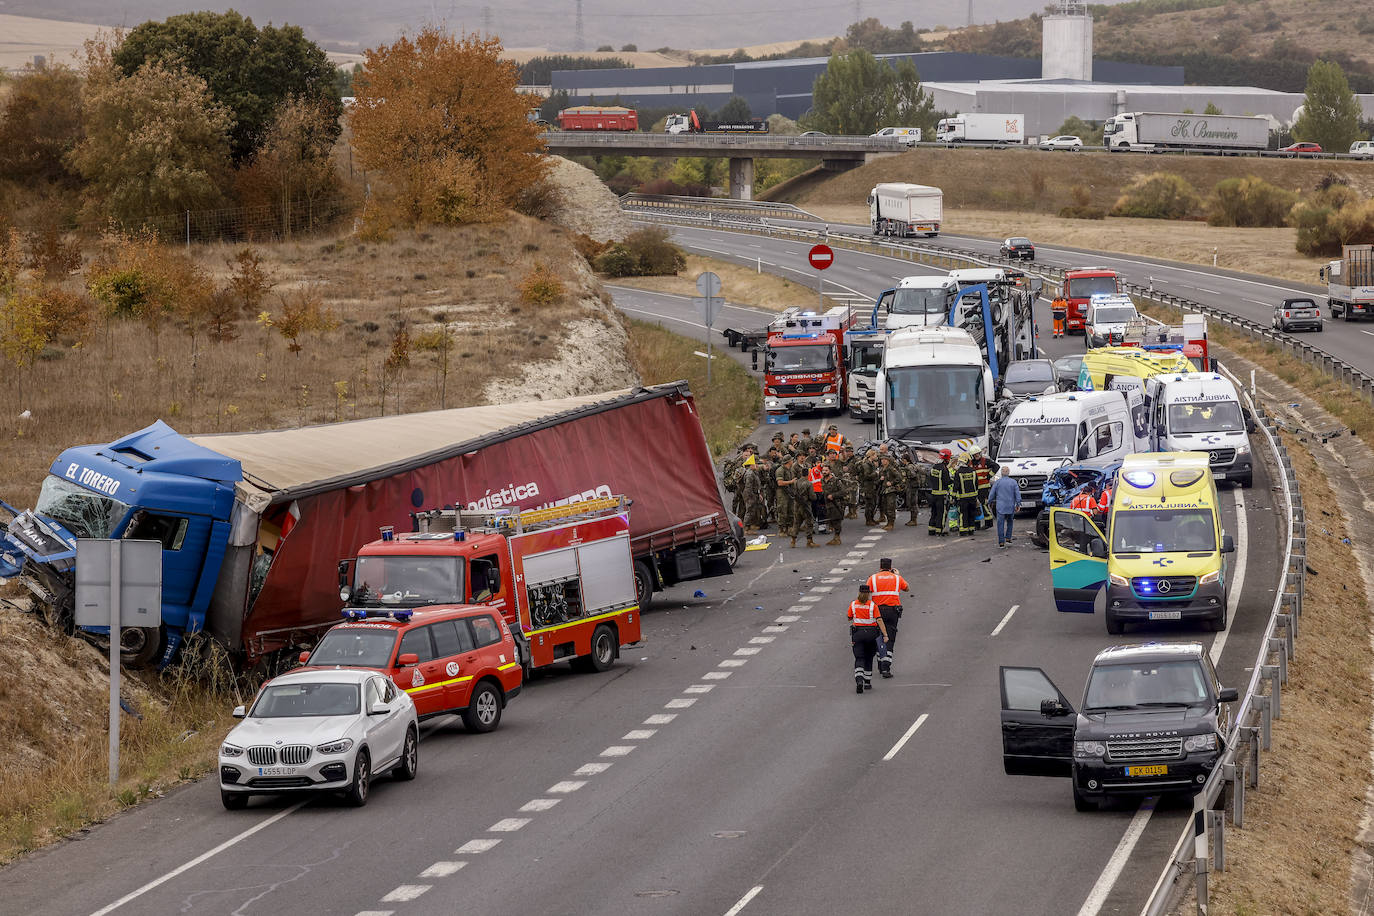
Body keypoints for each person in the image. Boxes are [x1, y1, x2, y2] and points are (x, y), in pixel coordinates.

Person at [865, 557, 910, 678]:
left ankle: (880, 663)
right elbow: (907, 588)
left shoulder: (872, 578)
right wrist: (897, 575)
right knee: (889, 638)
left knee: (879, 637)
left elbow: (866, 593)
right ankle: (886, 666)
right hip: (892, 612)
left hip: (877, 612)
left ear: (880, 567)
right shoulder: (897, 578)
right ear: (890, 567)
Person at [847, 583, 888, 693]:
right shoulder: (872, 605)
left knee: (859, 658)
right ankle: (868, 682)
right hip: (871, 634)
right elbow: (879, 620)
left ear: (859, 592)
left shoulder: (853, 604)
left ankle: (859, 680)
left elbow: (849, 617)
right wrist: (885, 635)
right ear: (869, 593)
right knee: (869, 657)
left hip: (858, 634)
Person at [988, 465, 1023, 549]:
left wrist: (989, 502)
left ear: (1001, 473)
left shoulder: (997, 482)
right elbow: (1017, 494)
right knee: (1010, 522)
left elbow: (992, 494)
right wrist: (1018, 504)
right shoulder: (1013, 482)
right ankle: (1008, 537)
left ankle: (1001, 542)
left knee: (1000, 524)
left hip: (1000, 507)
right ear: (1009, 473)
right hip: (1010, 506)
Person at [953, 454, 981, 536]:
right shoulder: (973, 471)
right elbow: (976, 484)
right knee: (971, 513)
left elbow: (956, 486)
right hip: (973, 497)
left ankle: (963, 531)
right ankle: (971, 530)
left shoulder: (958, 472)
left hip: (963, 498)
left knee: (963, 514)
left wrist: (953, 497)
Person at [928, 449, 953, 536]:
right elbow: (947, 481)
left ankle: (931, 529)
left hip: (933, 494)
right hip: (941, 495)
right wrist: (953, 479)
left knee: (934, 512)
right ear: (946, 459)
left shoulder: (933, 467)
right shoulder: (944, 469)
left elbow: (930, 479)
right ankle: (940, 530)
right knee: (941, 513)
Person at [822, 462, 847, 546]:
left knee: (836, 521)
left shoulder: (836, 480)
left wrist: (833, 495)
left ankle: (837, 538)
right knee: (831, 521)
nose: (824, 472)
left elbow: (843, 491)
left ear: (830, 471)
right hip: (827, 504)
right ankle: (835, 538)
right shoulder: (822, 480)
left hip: (836, 504)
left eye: (826, 470)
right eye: (823, 470)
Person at [775, 455, 798, 543]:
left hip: (789, 492)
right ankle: (781, 530)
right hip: (782, 493)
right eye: (791, 460)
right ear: (788, 461)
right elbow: (780, 483)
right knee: (782, 510)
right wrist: (791, 482)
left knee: (791, 510)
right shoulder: (780, 470)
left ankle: (789, 528)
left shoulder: (790, 470)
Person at [877, 454, 904, 531]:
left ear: (888, 461)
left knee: (890, 507)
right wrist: (880, 480)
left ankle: (891, 524)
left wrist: (892, 483)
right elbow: (880, 480)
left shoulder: (891, 469)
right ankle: (888, 522)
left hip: (891, 491)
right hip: (884, 490)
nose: (883, 461)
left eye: (884, 460)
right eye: (882, 460)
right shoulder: (882, 469)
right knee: (885, 507)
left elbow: (899, 477)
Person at [972, 446, 994, 530]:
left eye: (978, 453)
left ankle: (989, 523)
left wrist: (989, 475)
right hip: (975, 488)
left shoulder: (986, 461)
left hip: (984, 488)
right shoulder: (971, 463)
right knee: (976, 506)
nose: (977, 455)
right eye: (975, 454)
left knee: (984, 505)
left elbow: (996, 466)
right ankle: (976, 524)